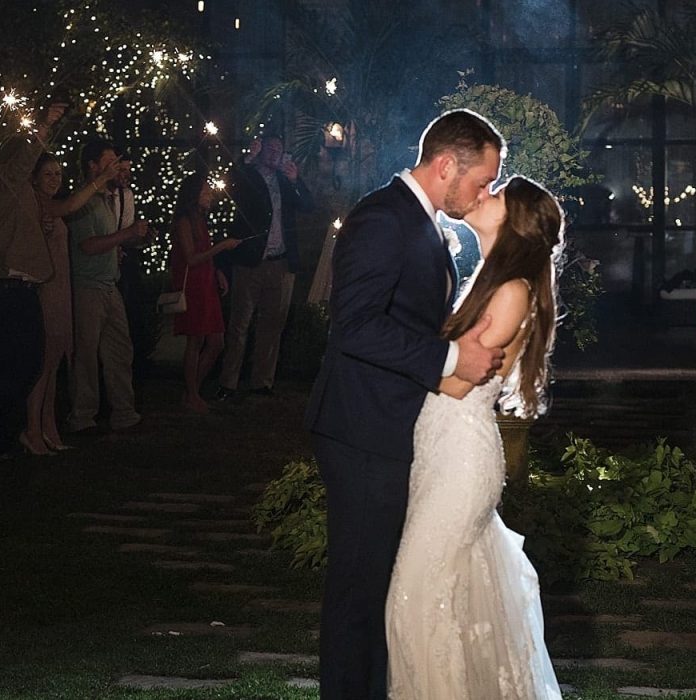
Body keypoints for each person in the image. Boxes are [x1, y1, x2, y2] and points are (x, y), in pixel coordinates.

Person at [302, 108, 508, 700]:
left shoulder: (419, 221)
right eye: (481, 179)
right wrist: (449, 362)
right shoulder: (381, 219)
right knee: (358, 588)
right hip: (362, 427)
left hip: (388, 426)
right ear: (447, 165)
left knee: (375, 584)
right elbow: (355, 327)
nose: (484, 191)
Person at [385, 175, 566, 699]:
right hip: (440, 449)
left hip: (461, 458)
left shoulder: (511, 292)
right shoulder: (490, 279)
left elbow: (461, 380)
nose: (482, 195)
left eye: (496, 195)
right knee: (446, 593)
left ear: (512, 224)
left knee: (416, 594)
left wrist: (388, 360)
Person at [0, 101, 67, 461]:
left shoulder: (17, 193)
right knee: (9, 367)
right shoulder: (1, 185)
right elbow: (23, 163)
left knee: (28, 363)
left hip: (25, 289)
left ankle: (2, 435)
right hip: (5, 291)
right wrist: (43, 126)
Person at [24, 153, 120, 454]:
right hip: (47, 287)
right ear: (35, 178)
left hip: (62, 285)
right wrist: (101, 179)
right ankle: (32, 429)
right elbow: (68, 207)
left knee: (54, 364)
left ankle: (48, 427)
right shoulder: (38, 204)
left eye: (58, 174)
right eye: (48, 174)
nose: (54, 180)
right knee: (44, 362)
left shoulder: (50, 206)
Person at [65, 138, 152, 434]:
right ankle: (83, 415)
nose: (115, 167)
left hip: (108, 284)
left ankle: (123, 411)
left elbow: (104, 241)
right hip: (88, 287)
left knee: (119, 349)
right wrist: (125, 234)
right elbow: (87, 245)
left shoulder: (106, 199)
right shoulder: (82, 202)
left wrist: (125, 241)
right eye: (109, 162)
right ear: (93, 166)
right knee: (86, 354)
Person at [215, 134, 311, 400]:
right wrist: (245, 159)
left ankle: (262, 382)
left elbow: (308, 206)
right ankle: (228, 382)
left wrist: (296, 180)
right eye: (269, 148)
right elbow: (230, 187)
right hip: (250, 262)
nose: (274, 153)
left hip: (280, 263)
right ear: (260, 151)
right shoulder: (248, 175)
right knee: (239, 325)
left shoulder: (285, 179)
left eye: (278, 149)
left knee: (272, 325)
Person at [168, 171, 241, 412]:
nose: (210, 195)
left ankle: (192, 390)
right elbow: (190, 257)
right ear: (193, 195)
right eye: (205, 191)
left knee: (216, 341)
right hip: (193, 286)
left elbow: (202, 254)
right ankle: (191, 394)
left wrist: (217, 271)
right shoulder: (184, 221)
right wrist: (221, 247)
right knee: (196, 340)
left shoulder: (200, 219)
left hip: (206, 282)